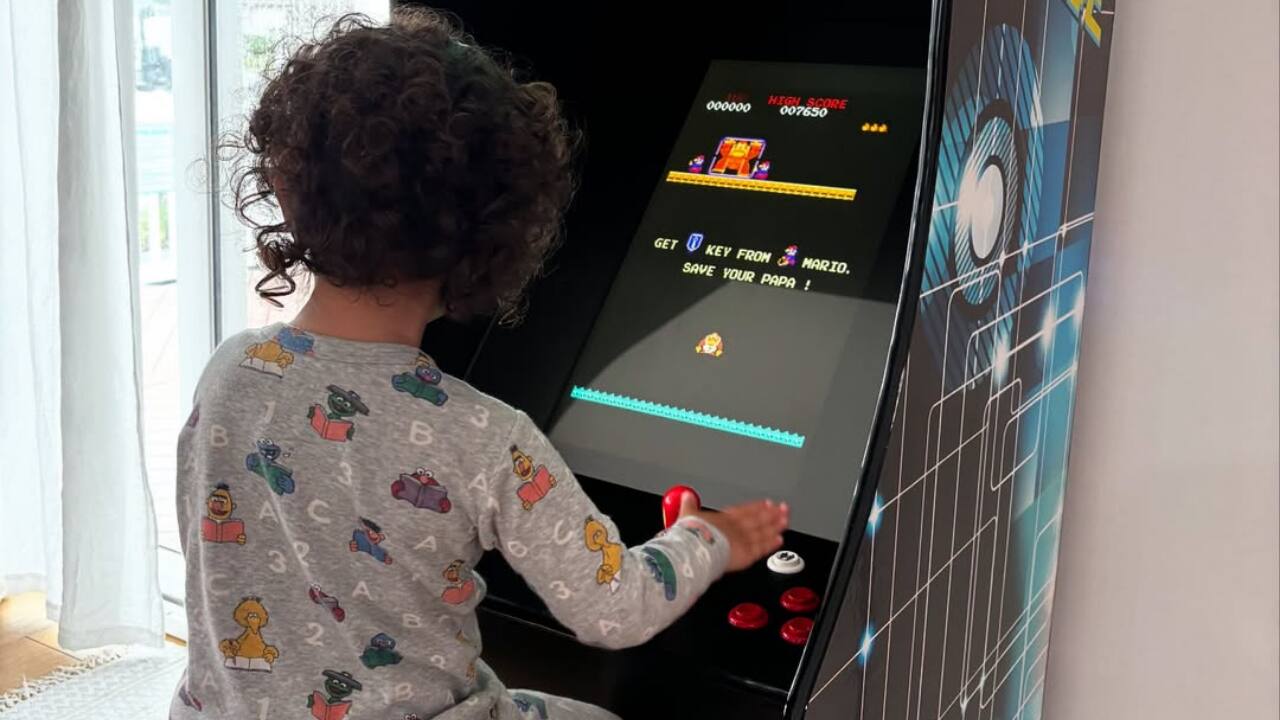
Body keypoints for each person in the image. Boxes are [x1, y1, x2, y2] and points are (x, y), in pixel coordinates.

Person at [171, 9, 788, 720]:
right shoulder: (485, 437)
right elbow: (615, 610)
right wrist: (709, 537)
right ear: (494, 234)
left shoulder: (230, 370)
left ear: (286, 188)